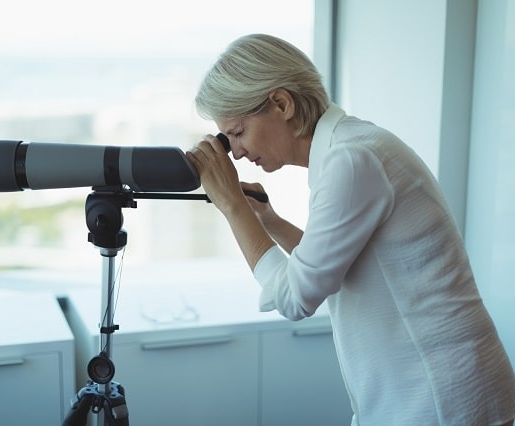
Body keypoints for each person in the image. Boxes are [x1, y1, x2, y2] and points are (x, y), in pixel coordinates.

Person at [186, 33, 515, 425]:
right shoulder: (349, 149)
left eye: (237, 132)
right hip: (422, 393)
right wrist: (268, 221)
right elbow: (336, 269)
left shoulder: (352, 160)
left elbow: (296, 298)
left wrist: (232, 207)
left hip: (441, 398)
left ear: (281, 103)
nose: (236, 151)